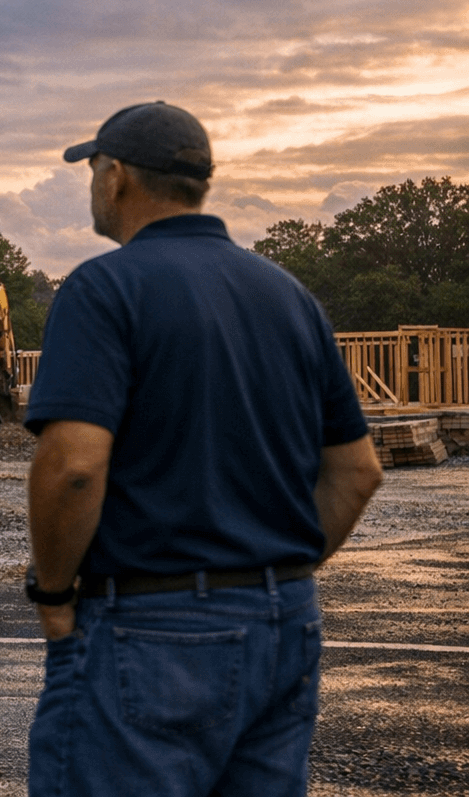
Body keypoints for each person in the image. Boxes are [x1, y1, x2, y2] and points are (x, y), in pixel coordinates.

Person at [23, 101, 383, 797]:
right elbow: (358, 471)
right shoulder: (289, 296)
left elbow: (72, 467)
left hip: (150, 632)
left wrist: (55, 593)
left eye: (93, 169)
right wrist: (270, 574)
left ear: (117, 176)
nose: (93, 183)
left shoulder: (104, 288)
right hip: (284, 623)